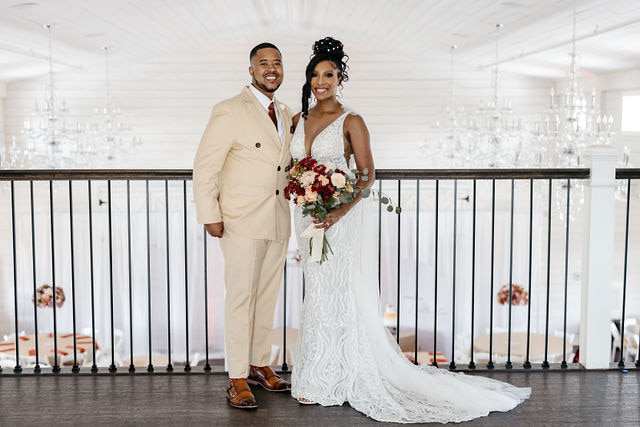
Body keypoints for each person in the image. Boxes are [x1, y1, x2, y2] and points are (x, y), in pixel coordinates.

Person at [289, 37, 531, 423]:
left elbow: (366, 176)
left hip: (340, 219)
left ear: (339, 79)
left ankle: (341, 376)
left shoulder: (352, 121)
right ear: (308, 78)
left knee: (340, 291)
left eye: (329, 75)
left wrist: (337, 212)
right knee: (316, 290)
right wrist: (303, 192)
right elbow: (293, 167)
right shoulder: (296, 120)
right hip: (307, 216)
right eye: (315, 75)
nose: (321, 81)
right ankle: (317, 374)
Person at [193, 42, 293, 409]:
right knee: (240, 299)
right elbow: (205, 166)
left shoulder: (286, 113)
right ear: (251, 70)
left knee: (266, 297)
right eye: (263, 63)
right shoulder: (230, 109)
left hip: (277, 218)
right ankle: (236, 376)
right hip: (240, 219)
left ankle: (258, 364)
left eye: (277, 63)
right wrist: (210, 214)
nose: (271, 69)